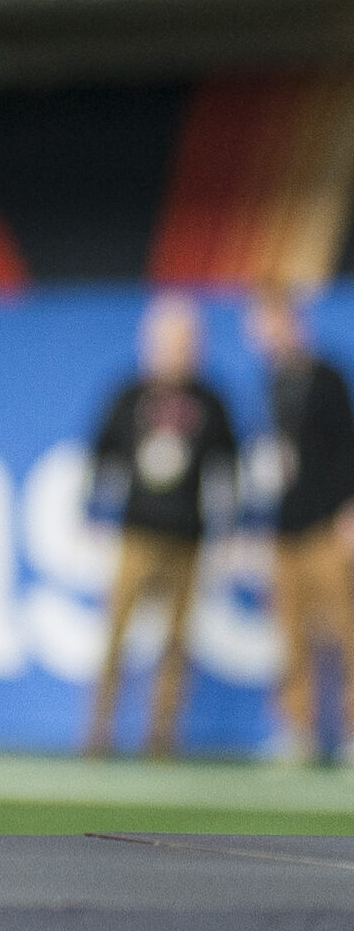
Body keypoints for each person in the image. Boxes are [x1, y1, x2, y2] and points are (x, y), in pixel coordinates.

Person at [84, 295, 238, 757]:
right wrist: (91, 512)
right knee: (115, 635)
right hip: (137, 532)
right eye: (167, 340)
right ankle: (98, 733)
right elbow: (100, 456)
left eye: (185, 340)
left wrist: (230, 528)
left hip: (188, 536)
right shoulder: (128, 395)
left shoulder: (211, 400)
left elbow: (227, 468)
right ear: (148, 343)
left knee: (176, 642)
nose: (176, 349)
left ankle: (161, 737)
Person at [245, 280, 354, 765]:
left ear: (291, 322)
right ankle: (299, 730)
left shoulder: (325, 377)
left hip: (326, 526)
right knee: (289, 638)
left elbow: (347, 449)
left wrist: (349, 511)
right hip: (283, 529)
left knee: (345, 631)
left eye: (269, 322)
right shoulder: (269, 382)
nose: (262, 333)